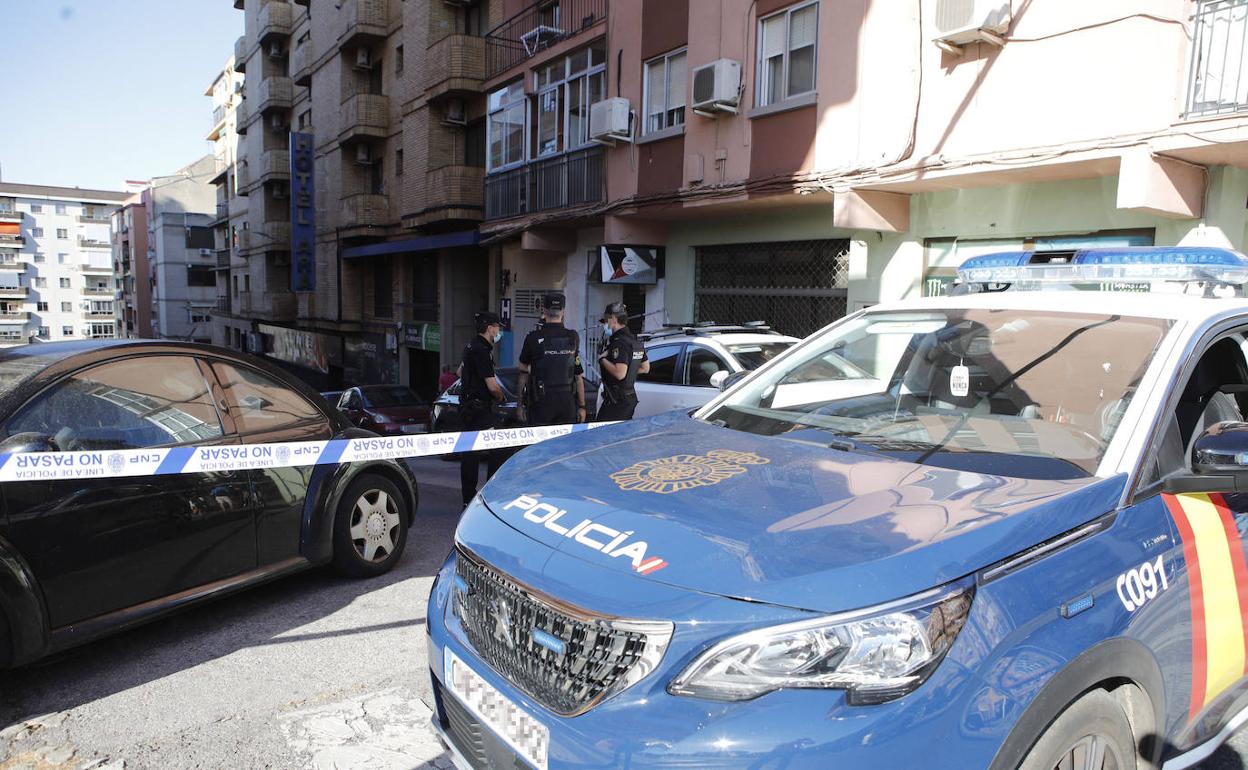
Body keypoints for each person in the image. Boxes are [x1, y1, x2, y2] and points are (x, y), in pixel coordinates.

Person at [458, 311, 506, 506]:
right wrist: (501, 397)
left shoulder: (471, 345)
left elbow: (460, 371)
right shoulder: (482, 350)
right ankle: (489, 494)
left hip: (468, 407)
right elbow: (492, 386)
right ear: (489, 328)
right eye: (497, 327)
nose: (498, 331)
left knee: (470, 453)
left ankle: (467, 496)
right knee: (496, 449)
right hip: (480, 409)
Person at [516, 292, 586, 426]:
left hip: (541, 403)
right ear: (563, 311)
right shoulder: (573, 337)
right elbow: (578, 376)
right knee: (565, 444)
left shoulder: (533, 337)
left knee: (541, 445)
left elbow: (522, 370)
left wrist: (520, 405)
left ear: (544, 311)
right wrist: (582, 406)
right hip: (567, 403)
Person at [596, 302, 649, 421]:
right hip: (629, 397)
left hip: (616, 400)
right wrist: (628, 372)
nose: (605, 324)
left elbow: (620, 374)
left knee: (602, 434)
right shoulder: (634, 341)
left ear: (613, 319)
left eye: (606, 320)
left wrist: (602, 359)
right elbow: (645, 368)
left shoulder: (619, 343)